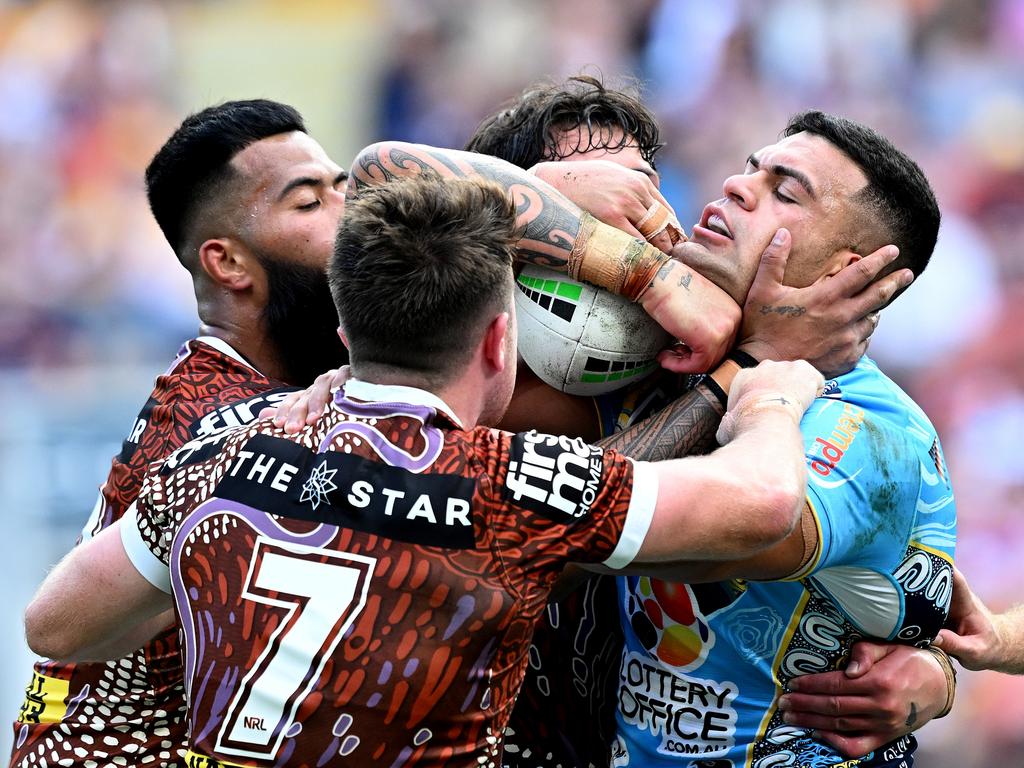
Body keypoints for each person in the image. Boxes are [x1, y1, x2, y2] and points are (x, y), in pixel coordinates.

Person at [24, 173, 826, 767]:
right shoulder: (514, 485)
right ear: (496, 344)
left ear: (345, 332)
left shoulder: (221, 449)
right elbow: (762, 501)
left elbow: (55, 627)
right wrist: (770, 390)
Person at [606, 111, 957, 767]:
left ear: (844, 274)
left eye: (785, 191)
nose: (737, 188)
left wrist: (756, 360)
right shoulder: (671, 345)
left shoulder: (871, 431)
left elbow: (628, 529)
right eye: (749, 169)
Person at [10, 98, 349, 768]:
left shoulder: (281, 390)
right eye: (310, 205)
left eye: (345, 190)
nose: (352, 219)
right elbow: (51, 628)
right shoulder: (225, 427)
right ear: (228, 265)